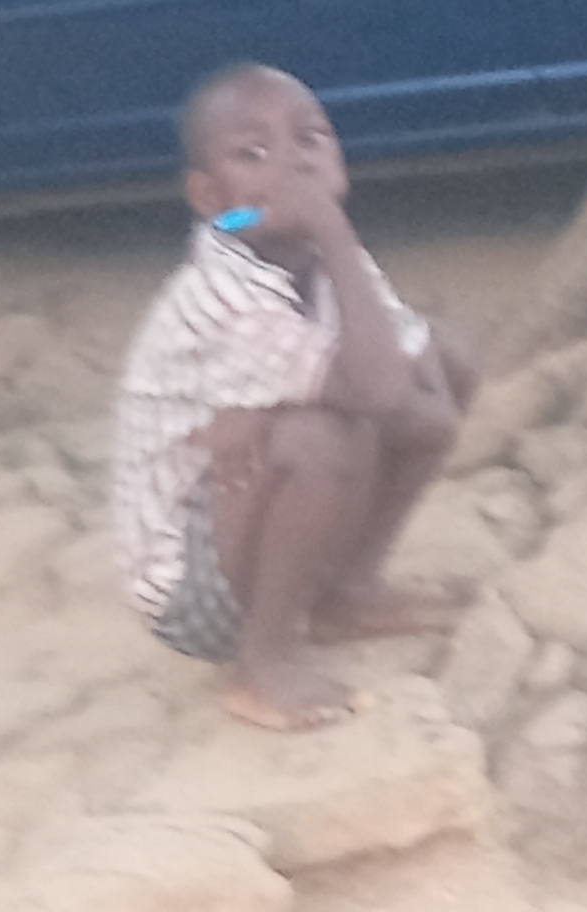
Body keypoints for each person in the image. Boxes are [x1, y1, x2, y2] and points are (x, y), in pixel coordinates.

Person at [114, 63, 477, 731]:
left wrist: (333, 243)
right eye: (253, 153)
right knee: (322, 437)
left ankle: (346, 596)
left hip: (244, 516)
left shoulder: (326, 258)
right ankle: (263, 659)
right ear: (209, 195)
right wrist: (332, 229)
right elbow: (378, 389)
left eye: (311, 138)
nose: (292, 163)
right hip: (189, 588)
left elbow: (413, 387)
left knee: (442, 365)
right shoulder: (219, 296)